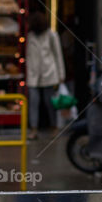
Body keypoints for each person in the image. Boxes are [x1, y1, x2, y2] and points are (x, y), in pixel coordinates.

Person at [24, 10, 65, 140]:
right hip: (34, 74)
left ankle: (54, 127)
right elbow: (28, 55)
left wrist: (60, 74)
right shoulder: (30, 36)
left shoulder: (52, 35)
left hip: (49, 73)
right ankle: (34, 129)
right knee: (34, 102)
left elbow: (58, 55)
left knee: (50, 102)